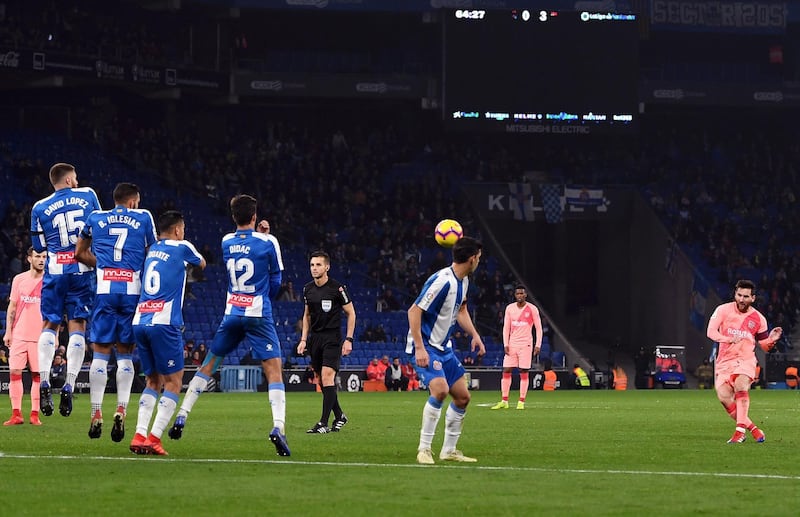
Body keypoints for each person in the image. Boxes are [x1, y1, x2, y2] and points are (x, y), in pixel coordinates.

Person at [169, 195, 290, 456]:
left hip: (232, 311)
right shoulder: (269, 242)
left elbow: (245, 246)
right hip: (258, 313)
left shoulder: (226, 242)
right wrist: (262, 300)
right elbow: (276, 280)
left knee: (209, 364)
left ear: (234, 217)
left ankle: (182, 415)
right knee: (274, 370)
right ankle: (278, 426)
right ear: (255, 216)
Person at [76, 182, 157, 441]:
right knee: (125, 354)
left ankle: (96, 412)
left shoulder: (96, 217)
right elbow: (155, 252)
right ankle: (121, 409)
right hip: (132, 292)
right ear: (133, 202)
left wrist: (103, 265)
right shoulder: (144, 217)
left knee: (99, 354)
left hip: (104, 290)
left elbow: (79, 252)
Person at [129, 210, 206, 455]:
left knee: (153, 380)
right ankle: (154, 437)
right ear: (177, 230)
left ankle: (139, 434)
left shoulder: (151, 251)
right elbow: (201, 263)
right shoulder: (182, 246)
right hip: (164, 322)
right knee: (173, 382)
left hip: (141, 318)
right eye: (182, 228)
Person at [30, 162, 101, 417]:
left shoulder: (39, 207)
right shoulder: (88, 194)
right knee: (77, 326)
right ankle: (70, 383)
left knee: (50, 325)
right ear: (70, 180)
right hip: (82, 271)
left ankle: (46, 380)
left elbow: (38, 245)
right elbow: (98, 228)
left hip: (56, 271)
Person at [407, 236, 486, 464]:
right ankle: (424, 449)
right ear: (471, 259)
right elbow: (414, 311)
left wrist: (475, 335)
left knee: (462, 397)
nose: (479, 261)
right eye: (478, 258)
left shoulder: (464, 281)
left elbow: (461, 310)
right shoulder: (443, 280)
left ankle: (448, 450)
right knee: (440, 391)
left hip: (444, 348)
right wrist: (420, 348)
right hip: (426, 346)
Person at [707, 279, 782, 443]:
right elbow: (711, 332)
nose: (741, 299)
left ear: (753, 298)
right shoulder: (723, 310)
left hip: (745, 360)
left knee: (741, 385)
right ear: (735, 294)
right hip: (724, 361)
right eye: (739, 295)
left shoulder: (759, 319)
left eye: (746, 296)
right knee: (724, 397)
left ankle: (739, 433)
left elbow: (764, 346)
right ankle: (755, 430)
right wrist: (727, 339)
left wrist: (772, 341)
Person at [296, 250, 356, 433]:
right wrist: (303, 339)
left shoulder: (337, 289)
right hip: (315, 338)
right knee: (321, 380)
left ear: (327, 267)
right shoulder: (307, 289)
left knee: (328, 376)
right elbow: (306, 315)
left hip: (332, 338)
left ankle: (323, 422)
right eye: (312, 265)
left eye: (318, 265)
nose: (314, 268)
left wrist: (349, 339)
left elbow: (351, 313)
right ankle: (339, 416)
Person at [3, 247, 46, 426]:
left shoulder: (50, 280)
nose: (41, 260)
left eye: (44, 257)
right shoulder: (19, 279)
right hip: (19, 334)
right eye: (37, 256)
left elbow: (54, 311)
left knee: (37, 375)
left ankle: (34, 414)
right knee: (14, 372)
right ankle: (16, 414)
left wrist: (54, 335)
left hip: (40, 336)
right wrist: (8, 331)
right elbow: (12, 307)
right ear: (29, 259)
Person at [491, 285, 542, 410]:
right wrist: (506, 344)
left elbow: (539, 328)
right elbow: (506, 327)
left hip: (526, 344)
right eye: (518, 293)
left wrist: (538, 344)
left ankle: (521, 401)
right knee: (506, 370)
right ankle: (504, 400)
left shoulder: (532, 309)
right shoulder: (509, 308)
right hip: (512, 344)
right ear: (515, 295)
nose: (520, 295)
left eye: (522, 293)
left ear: (525, 295)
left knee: (523, 371)